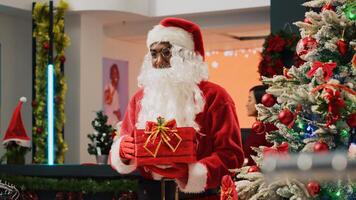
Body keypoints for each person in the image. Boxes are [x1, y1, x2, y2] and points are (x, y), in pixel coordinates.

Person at [109, 17, 244, 199]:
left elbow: (231, 157)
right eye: (153, 54)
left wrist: (191, 173)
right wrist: (122, 152)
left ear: (185, 55)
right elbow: (121, 152)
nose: (158, 62)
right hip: (150, 193)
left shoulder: (215, 96)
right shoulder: (140, 99)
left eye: (166, 53)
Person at [243, 85, 277, 166]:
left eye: (250, 100)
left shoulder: (266, 127)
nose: (246, 104)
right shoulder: (260, 125)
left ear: (261, 102)